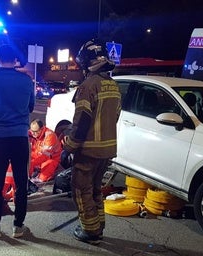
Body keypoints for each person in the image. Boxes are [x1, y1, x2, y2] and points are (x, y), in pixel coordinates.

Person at [63, 39, 121, 245]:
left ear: (87, 63)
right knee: (96, 189)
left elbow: (81, 123)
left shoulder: (88, 86)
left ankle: (90, 231)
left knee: (81, 190)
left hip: (88, 151)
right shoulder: (113, 85)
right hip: (107, 150)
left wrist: (68, 147)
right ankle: (99, 226)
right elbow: (115, 116)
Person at [0, 44, 35, 238]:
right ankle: (18, 226)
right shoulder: (26, 80)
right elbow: (31, 106)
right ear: (15, 60)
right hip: (20, 138)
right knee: (21, 182)